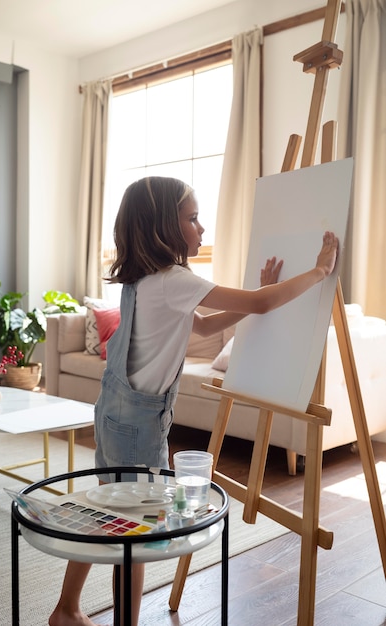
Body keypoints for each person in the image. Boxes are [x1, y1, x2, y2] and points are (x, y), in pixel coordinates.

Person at [49, 176, 339, 626]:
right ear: (164, 226)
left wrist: (256, 295)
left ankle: (66, 609)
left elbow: (200, 328)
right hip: (137, 424)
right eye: (193, 218)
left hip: (115, 412)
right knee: (135, 530)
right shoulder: (172, 280)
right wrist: (319, 271)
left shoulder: (143, 279)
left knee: (107, 509)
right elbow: (261, 306)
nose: (202, 228)